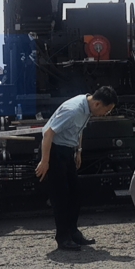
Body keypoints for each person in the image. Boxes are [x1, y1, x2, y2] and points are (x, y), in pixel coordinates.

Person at [35, 86, 118, 251]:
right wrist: (45, 161)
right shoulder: (73, 110)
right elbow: (48, 133)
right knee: (61, 196)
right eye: (107, 110)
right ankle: (63, 237)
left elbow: (79, 130)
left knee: (76, 193)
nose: (106, 114)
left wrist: (78, 151)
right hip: (54, 150)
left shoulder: (87, 107)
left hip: (67, 150)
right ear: (98, 104)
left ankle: (73, 232)